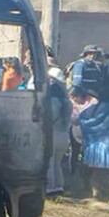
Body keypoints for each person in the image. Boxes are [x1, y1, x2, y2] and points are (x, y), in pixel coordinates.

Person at [70, 87, 109, 204]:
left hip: (96, 146)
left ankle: (97, 195)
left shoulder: (92, 109)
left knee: (97, 173)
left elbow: (79, 121)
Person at [47, 68, 72, 196]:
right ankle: (59, 186)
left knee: (49, 162)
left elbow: (49, 118)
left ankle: (50, 188)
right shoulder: (67, 102)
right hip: (64, 135)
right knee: (57, 162)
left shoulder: (52, 101)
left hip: (52, 134)